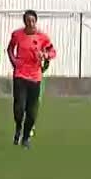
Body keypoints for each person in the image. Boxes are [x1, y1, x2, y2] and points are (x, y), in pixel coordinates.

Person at [7, 10, 56, 148]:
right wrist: (14, 61)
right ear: (24, 22)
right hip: (20, 75)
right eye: (28, 20)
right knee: (19, 107)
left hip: (35, 77)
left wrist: (46, 55)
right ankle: (18, 127)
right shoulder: (17, 34)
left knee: (31, 112)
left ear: (36, 21)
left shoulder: (42, 37)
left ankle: (26, 137)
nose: (31, 23)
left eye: (33, 20)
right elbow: (10, 49)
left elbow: (52, 52)